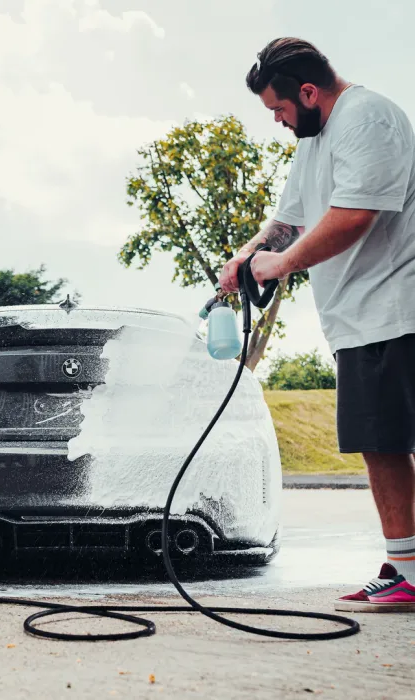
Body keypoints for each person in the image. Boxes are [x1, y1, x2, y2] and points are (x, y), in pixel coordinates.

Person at [220, 38, 415, 612]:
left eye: (279, 109)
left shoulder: (368, 118)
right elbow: (289, 218)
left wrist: (280, 264)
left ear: (309, 92)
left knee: (393, 442)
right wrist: (249, 253)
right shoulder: (316, 138)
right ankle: (406, 570)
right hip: (357, 320)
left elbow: (355, 213)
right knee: (380, 445)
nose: (278, 122)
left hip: (397, 310)